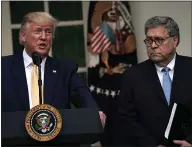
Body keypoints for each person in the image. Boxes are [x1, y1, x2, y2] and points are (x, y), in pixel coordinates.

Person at [2, 11, 106, 127]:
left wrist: (95, 112)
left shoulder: (64, 69)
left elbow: (83, 96)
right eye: (38, 31)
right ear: (23, 36)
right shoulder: (4, 67)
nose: (43, 37)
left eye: (48, 32)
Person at [117, 16, 192, 146]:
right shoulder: (132, 76)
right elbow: (126, 119)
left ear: (175, 40)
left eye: (159, 40)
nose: (152, 46)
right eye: (149, 40)